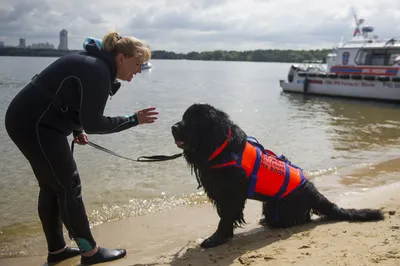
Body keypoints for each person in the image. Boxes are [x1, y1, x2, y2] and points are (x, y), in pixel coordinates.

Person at [4, 31, 158, 265]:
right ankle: (90, 252)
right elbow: (94, 122)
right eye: (137, 64)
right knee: (68, 185)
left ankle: (57, 251)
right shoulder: (97, 70)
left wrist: (77, 130)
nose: (138, 70)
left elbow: (70, 99)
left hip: (28, 121)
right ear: (121, 58)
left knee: (52, 186)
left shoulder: (95, 65)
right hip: (36, 125)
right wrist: (134, 119)